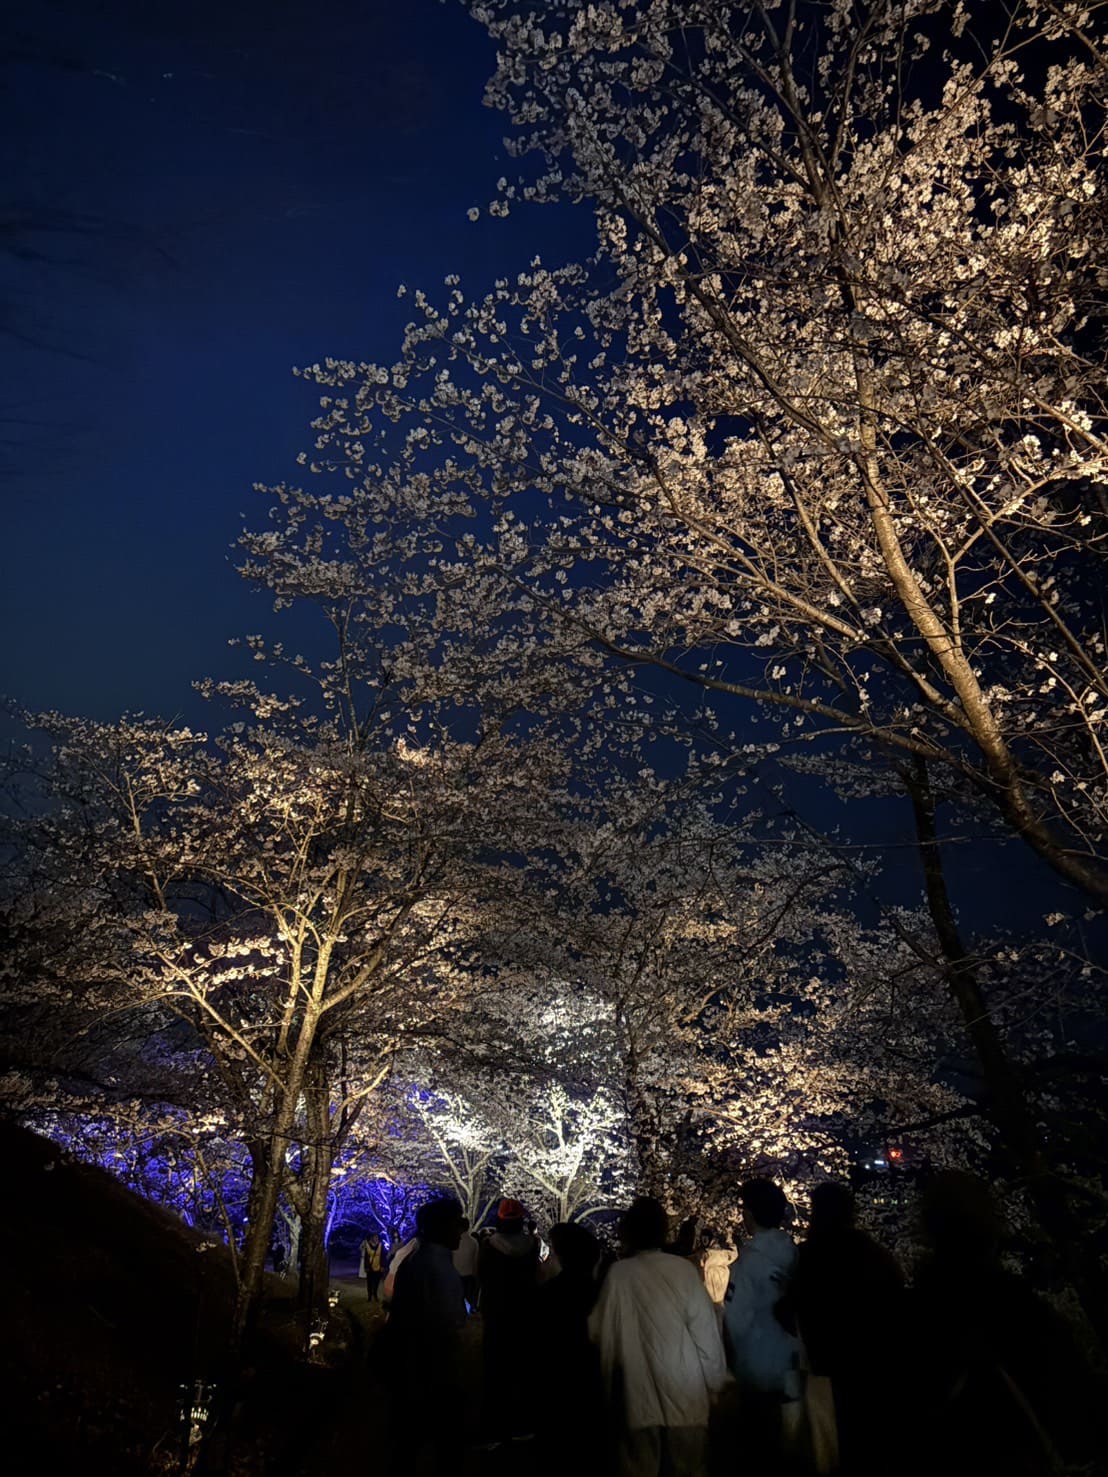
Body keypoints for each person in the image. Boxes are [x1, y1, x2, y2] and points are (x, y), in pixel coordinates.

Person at [906, 1172, 1098, 1477]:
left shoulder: (912, 1315)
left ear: (927, 1230)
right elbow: (1075, 1402)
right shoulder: (1024, 1310)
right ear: (992, 1230)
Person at [590, 1196, 726, 1477]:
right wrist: (714, 1382)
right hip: (685, 1390)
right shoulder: (683, 1270)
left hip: (636, 1394)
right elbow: (705, 1333)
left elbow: (600, 1332)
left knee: (639, 1467)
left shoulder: (619, 1274)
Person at [792, 1182, 905, 1475]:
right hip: (874, 1364)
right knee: (868, 1446)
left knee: (830, 1447)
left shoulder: (808, 1255)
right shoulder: (873, 1253)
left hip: (825, 1364)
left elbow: (792, 1305)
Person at [385, 1196, 469, 1474]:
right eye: (457, 1224)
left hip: (417, 1368)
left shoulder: (420, 1260)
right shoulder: (436, 1267)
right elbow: (447, 1322)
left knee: (410, 1444)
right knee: (437, 1445)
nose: (462, 1230)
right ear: (441, 1227)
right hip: (433, 1371)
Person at [721, 1179, 800, 1463]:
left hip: (756, 1370)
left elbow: (734, 1321)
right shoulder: (795, 1254)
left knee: (759, 1452)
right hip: (793, 1368)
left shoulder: (748, 1264)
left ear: (750, 1215)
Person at [534, 1222, 606, 1475]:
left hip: (557, 1392)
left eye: (551, 1253)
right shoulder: (603, 1293)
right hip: (594, 1392)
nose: (546, 1259)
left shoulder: (548, 1296)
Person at [478, 1197, 540, 1442]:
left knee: (495, 1372)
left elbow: (481, 1275)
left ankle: (492, 1428)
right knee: (523, 1369)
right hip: (524, 1312)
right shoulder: (532, 1244)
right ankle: (522, 1424)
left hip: (496, 1313)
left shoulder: (488, 1245)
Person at [452, 1215, 479, 1310]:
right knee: (469, 1305)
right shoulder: (474, 1242)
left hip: (455, 1277)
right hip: (469, 1277)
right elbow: (475, 1262)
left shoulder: (452, 1241)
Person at [360, 1230, 385, 1302]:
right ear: (372, 1238)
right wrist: (366, 1267)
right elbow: (366, 1257)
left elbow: (383, 1256)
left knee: (376, 1282)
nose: (376, 1238)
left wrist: (382, 1266)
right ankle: (369, 1296)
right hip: (370, 1266)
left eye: (377, 1237)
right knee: (369, 1282)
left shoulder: (380, 1245)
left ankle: (375, 1294)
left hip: (378, 1266)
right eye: (374, 1237)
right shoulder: (368, 1245)